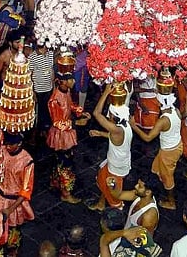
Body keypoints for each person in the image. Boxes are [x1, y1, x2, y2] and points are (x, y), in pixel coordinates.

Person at [131, 88, 183, 210]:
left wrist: (134, 126)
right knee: (156, 169)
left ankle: (171, 202)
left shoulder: (163, 120)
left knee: (167, 177)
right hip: (175, 146)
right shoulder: (175, 110)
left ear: (160, 103)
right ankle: (155, 186)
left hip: (168, 152)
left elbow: (148, 138)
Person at [0, 132, 35, 257]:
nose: (8, 147)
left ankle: (12, 252)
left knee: (13, 233)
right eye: (6, 144)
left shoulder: (27, 161)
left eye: (11, 144)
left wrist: (10, 209)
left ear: (19, 143)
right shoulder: (1, 150)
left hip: (14, 202)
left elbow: (26, 190)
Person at [47, 67, 88, 203]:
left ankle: (56, 183)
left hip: (67, 133)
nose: (73, 81)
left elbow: (70, 105)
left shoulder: (67, 91)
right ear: (62, 82)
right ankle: (66, 193)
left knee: (60, 162)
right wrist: (76, 123)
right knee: (65, 164)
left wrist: (79, 111)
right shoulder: (54, 100)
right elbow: (57, 122)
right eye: (70, 79)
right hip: (61, 136)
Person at [89, 85, 133, 211]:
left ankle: (115, 218)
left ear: (114, 117)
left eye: (110, 115)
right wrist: (99, 133)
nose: (109, 117)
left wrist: (106, 92)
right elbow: (114, 138)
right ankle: (101, 204)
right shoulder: (125, 126)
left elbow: (96, 113)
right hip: (115, 163)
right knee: (102, 180)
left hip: (116, 169)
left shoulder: (116, 130)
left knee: (115, 197)